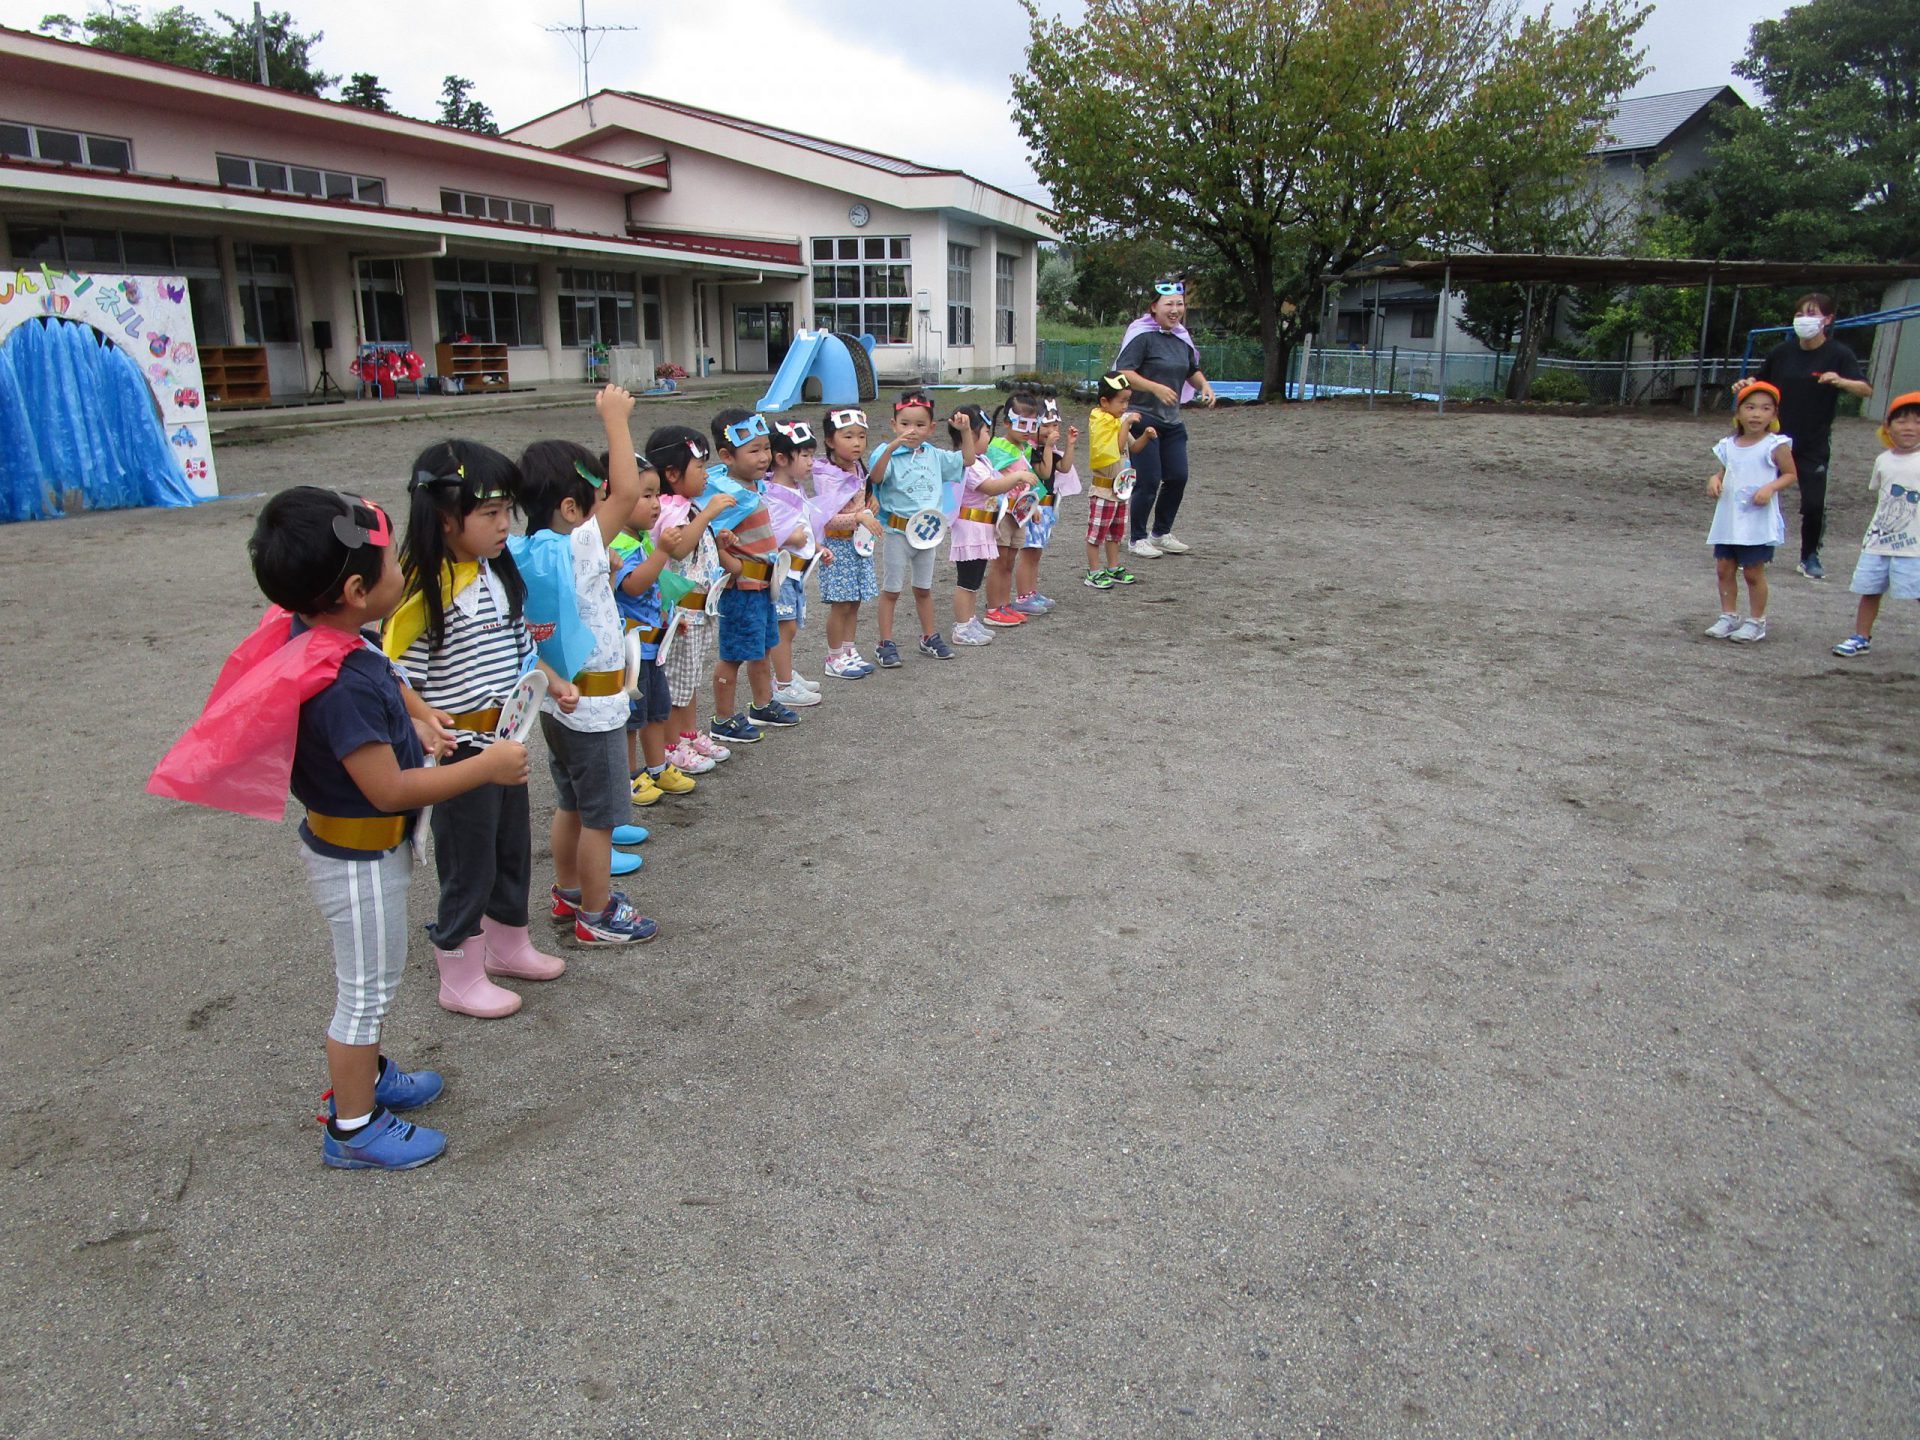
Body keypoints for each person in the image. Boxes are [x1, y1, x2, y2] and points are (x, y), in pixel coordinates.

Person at [149, 487, 531, 1169]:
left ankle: (369, 1077)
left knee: (372, 980)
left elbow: (384, 670)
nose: (402, 568)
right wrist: (487, 767)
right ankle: (353, 1127)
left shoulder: (324, 632)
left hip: (366, 851)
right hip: (358, 860)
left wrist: (417, 717)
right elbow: (388, 788)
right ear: (356, 591)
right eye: (390, 563)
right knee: (365, 992)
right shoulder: (342, 682)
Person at [384, 441, 577, 1020]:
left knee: (510, 846)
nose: (503, 526)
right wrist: (421, 718)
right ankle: (459, 970)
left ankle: (508, 942)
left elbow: (522, 650)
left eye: (506, 512)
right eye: (489, 513)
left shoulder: (499, 572)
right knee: (468, 860)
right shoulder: (424, 589)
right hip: (461, 754)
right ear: (445, 517)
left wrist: (553, 681)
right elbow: (393, 673)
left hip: (506, 742)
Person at [518, 386, 659, 946]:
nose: (610, 506)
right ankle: (597, 915)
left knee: (571, 805)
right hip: (595, 708)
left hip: (558, 704)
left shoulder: (526, 550)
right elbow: (626, 491)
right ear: (572, 509)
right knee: (601, 817)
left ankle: (569, 890)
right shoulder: (576, 544)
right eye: (595, 500)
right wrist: (615, 419)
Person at [1751, 293, 1872, 580]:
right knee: (1761, 494)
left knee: (1814, 504)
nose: (1804, 320)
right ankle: (1758, 549)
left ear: (1827, 320)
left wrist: (1840, 381)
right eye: (1800, 314)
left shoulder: (1838, 354)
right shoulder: (1782, 352)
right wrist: (1747, 383)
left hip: (1813, 441)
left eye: (1812, 314)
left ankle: (1809, 556)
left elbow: (1865, 389)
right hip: (1775, 438)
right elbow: (1759, 381)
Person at [702, 409, 801, 742]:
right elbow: (708, 538)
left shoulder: (752, 486)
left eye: (766, 448)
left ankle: (762, 704)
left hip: (762, 585)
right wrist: (730, 563)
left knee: (763, 647)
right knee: (733, 655)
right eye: (754, 450)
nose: (764, 457)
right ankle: (723, 718)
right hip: (740, 588)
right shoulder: (725, 496)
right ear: (727, 456)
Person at [866, 388, 982, 665]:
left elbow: (968, 459)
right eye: (905, 423)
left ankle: (929, 636)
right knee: (892, 590)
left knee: (924, 588)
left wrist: (966, 431)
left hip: (927, 534)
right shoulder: (887, 453)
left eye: (920, 425)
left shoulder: (934, 455)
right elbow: (876, 477)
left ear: (931, 428)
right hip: (898, 533)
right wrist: (891, 448)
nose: (912, 430)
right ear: (894, 424)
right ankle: (885, 642)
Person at [610, 457, 704, 798]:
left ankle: (657, 768)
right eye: (645, 496)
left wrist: (670, 621)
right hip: (630, 651)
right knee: (631, 718)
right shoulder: (618, 544)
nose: (655, 504)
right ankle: (628, 776)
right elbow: (634, 586)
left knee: (655, 713)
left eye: (656, 495)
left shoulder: (640, 539)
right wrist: (662, 551)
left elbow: (655, 590)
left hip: (653, 647)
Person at [645, 425, 735, 765]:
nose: (706, 474)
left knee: (690, 678)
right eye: (699, 467)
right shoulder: (668, 507)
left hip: (700, 610)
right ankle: (671, 746)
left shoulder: (687, 505)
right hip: (681, 613)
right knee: (675, 684)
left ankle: (688, 733)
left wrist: (717, 537)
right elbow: (679, 549)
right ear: (672, 474)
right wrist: (709, 513)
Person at [1114, 278, 1217, 558]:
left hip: (1171, 421)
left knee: (1178, 476)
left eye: (1179, 304)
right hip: (1143, 417)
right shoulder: (1142, 336)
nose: (1175, 310)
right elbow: (1124, 372)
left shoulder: (1181, 338)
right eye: (1168, 304)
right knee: (1148, 480)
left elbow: (1191, 370)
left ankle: (1161, 533)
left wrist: (1204, 385)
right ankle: (1137, 538)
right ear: (1153, 307)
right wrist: (1155, 388)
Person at [1705, 381, 1797, 645]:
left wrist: (1770, 487)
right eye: (1750, 407)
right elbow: (1726, 470)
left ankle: (1756, 621)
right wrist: (1715, 479)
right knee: (1724, 568)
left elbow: (1790, 474)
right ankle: (1728, 615)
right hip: (1729, 519)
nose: (1757, 414)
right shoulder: (1728, 445)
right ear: (1738, 412)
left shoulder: (1775, 445)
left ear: (1774, 414)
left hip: (1756, 521)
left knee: (1753, 572)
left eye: (1765, 408)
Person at [1832, 391, 1920, 657]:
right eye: (1902, 421)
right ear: (1887, 427)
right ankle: (1861, 636)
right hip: (1878, 540)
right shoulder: (1883, 460)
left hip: (1914, 544)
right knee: (1869, 590)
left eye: (1918, 422)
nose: (1910, 427)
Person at [948, 404, 1034, 646]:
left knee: (973, 580)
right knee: (967, 582)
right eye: (986, 432)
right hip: (970, 529)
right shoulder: (969, 465)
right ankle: (962, 627)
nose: (989, 437)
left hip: (981, 528)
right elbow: (992, 487)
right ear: (971, 434)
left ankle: (969, 620)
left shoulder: (981, 460)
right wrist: (1017, 477)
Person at [812, 406, 882, 679]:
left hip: (858, 545)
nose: (857, 443)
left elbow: (861, 499)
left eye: (861, 436)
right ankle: (834, 656)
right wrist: (859, 516)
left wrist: (870, 503)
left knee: (854, 601)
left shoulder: (857, 467)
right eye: (848, 436)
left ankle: (849, 650)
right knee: (840, 604)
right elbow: (827, 519)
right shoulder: (827, 475)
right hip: (837, 547)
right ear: (830, 441)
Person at [764, 419, 826, 709]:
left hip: (796, 571)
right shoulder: (773, 493)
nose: (811, 462)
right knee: (783, 628)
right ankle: (784, 683)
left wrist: (816, 548)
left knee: (790, 626)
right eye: (805, 455)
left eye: (812, 455)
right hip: (782, 573)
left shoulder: (794, 488)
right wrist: (792, 537)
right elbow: (767, 535)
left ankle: (784, 674)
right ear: (781, 458)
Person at [1012, 397, 1079, 614]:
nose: (1052, 430)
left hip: (1047, 508)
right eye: (1046, 426)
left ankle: (1032, 592)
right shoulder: (1030, 451)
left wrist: (1069, 445)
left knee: (1036, 553)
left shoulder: (1048, 449)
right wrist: (1048, 447)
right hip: (1034, 508)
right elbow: (1044, 472)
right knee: (1029, 552)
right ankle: (1023, 596)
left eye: (1055, 425)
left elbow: (1064, 467)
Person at [1084, 371, 1148, 589]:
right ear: (1104, 401)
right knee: (1096, 534)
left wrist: (1146, 436)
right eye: (1121, 401)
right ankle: (1093, 571)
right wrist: (1127, 422)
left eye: (1127, 401)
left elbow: (1134, 447)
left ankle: (1113, 567)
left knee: (1116, 533)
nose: (1125, 406)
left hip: (1121, 490)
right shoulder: (1100, 423)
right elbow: (1118, 447)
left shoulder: (1118, 422)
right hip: (1103, 490)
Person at [984, 392, 1043, 627]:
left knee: (1009, 560)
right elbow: (990, 478)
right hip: (1003, 513)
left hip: (1020, 514)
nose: (1028, 430)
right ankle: (993, 608)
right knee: (999, 561)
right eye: (1022, 424)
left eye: (1033, 425)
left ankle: (1005, 604)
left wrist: (1033, 505)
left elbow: (1027, 481)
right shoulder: (998, 447)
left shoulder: (1024, 448)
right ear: (1007, 422)